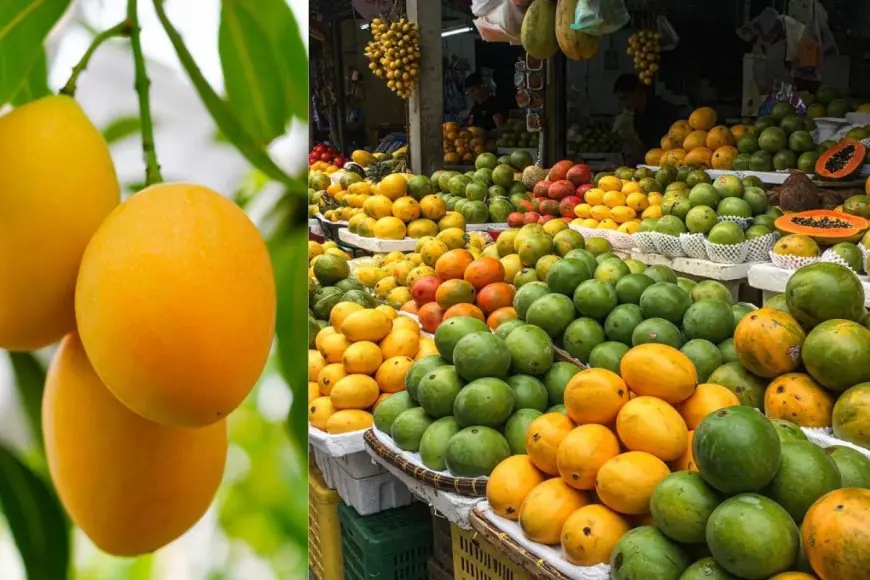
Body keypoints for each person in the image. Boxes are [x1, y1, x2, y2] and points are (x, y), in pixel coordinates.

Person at [612, 74, 682, 160]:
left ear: (637, 92)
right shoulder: (637, 115)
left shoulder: (661, 111)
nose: (623, 104)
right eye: (620, 100)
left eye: (625, 98)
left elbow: (657, 147)